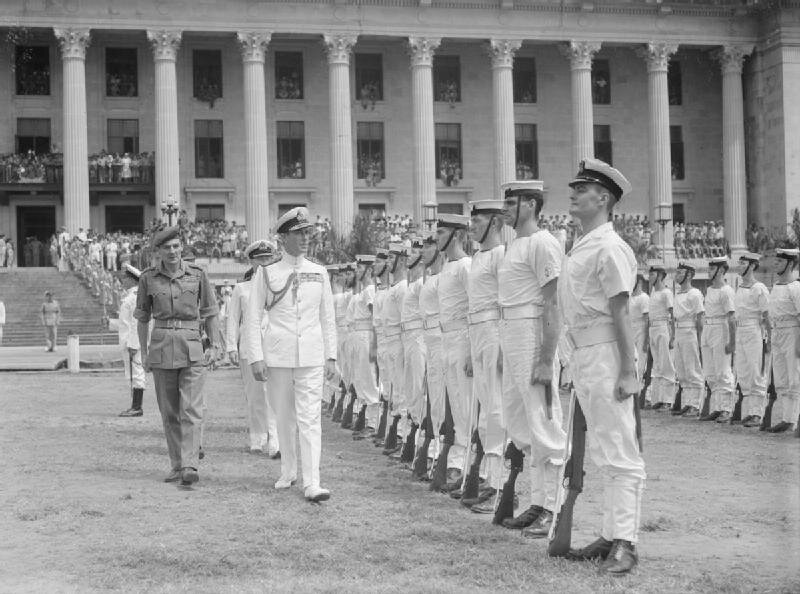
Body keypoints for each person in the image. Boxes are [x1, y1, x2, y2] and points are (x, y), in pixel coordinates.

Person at [557, 158, 646, 574]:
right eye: (574, 187)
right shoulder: (583, 245)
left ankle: (626, 541)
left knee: (620, 448)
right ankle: (611, 533)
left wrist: (628, 370)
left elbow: (621, 312)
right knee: (603, 449)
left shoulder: (610, 247)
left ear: (604, 198)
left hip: (607, 354)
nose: (573, 193)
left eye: (582, 188)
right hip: (585, 356)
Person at [242, 207, 337, 503]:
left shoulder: (319, 272)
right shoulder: (267, 273)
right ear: (283, 238)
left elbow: (327, 318)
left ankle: (313, 482)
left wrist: (331, 356)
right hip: (278, 355)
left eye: (307, 232)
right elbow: (254, 317)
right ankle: (288, 470)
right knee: (284, 417)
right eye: (299, 234)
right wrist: (256, 357)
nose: (305, 238)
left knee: (310, 418)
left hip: (310, 355)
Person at [497, 181, 566, 537]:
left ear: (531, 204)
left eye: (512, 202)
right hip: (512, 332)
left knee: (543, 419)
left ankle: (553, 507)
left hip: (531, 332)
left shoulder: (543, 243)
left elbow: (552, 303)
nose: (506, 208)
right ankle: (538, 501)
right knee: (520, 421)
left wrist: (545, 358)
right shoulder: (514, 246)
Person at [134, 226, 221, 487]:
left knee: (191, 409)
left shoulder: (197, 275)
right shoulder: (148, 279)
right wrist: (144, 352)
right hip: (161, 348)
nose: (172, 252)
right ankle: (176, 464)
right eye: (166, 248)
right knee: (169, 411)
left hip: (192, 346)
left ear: (181, 247)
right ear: (158, 251)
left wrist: (214, 345)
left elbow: (210, 311)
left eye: (176, 246)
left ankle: (189, 464)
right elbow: (142, 319)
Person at [462, 199, 507, 513]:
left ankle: (501, 485)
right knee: (483, 412)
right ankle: (488, 481)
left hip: (494, 331)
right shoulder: (477, 257)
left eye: (478, 221)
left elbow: (505, 303)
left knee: (496, 410)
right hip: (477, 332)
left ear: (495, 223)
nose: (472, 226)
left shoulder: (501, 255)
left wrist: (504, 345)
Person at [225, 240, 281, 456]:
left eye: (268, 259)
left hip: (274, 345)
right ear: (252, 261)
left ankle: (275, 439)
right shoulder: (242, 288)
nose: (265, 263)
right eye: (260, 259)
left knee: (274, 394)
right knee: (255, 394)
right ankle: (257, 436)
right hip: (249, 347)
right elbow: (233, 319)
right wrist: (231, 346)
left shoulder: (277, 284)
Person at [435, 214, 473, 491]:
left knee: (467, 405)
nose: (437, 238)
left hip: (462, 337)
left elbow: (475, 308)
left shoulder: (465, 266)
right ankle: (458, 462)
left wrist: (471, 350)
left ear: (457, 236)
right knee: (456, 404)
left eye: (441, 233)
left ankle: (467, 464)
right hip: (446, 337)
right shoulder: (447, 267)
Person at [733, 252, 771, 428]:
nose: (740, 266)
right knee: (743, 370)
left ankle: (757, 413)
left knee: (756, 370)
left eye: (743, 263)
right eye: (739, 263)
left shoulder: (760, 288)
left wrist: (769, 338)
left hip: (754, 329)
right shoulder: (739, 287)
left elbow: (766, 315)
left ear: (752, 266)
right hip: (740, 329)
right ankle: (748, 411)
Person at [765, 248, 800, 433]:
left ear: (790, 264)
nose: (775, 264)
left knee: (795, 376)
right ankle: (786, 418)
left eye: (779, 262)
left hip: (792, 332)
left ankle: (794, 419)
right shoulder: (776, 287)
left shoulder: (796, 288)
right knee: (781, 377)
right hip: (778, 332)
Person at [348, 254, 380, 440]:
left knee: (369, 378)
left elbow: (375, 317)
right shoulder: (363, 291)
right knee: (361, 378)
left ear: (368, 270)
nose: (357, 271)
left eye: (360, 268)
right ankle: (367, 420)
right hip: (358, 335)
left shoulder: (369, 290)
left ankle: (373, 423)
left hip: (366, 335)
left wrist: (374, 344)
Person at [701, 257, 736, 423]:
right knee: (710, 371)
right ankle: (716, 407)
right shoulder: (709, 290)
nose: (709, 272)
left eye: (712, 269)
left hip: (720, 328)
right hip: (708, 328)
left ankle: (726, 409)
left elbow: (731, 318)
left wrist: (732, 341)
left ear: (721, 271)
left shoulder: (726, 291)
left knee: (723, 370)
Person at [672, 262, 705, 418]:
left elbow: (700, 318)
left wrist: (700, 339)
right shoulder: (677, 294)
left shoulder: (695, 293)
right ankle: (688, 402)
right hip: (679, 331)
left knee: (692, 368)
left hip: (689, 330)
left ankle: (695, 404)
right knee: (681, 369)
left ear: (689, 275)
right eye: (677, 272)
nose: (677, 275)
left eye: (681, 272)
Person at [118, 264, 147, 417]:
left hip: (133, 343)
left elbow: (137, 322)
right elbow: (125, 323)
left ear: (131, 280)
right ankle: (134, 405)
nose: (122, 281)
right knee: (131, 373)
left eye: (124, 278)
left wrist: (134, 344)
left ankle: (137, 406)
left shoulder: (135, 297)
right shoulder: (130, 297)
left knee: (137, 373)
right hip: (128, 342)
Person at [648, 265, 676, 409]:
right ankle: (658, 398)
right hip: (653, 328)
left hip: (663, 327)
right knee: (657, 365)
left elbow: (672, 314)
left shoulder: (666, 293)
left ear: (659, 276)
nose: (649, 277)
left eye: (652, 274)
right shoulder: (653, 293)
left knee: (666, 364)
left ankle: (668, 400)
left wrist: (673, 336)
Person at [629, 275, 650, 397]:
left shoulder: (644, 298)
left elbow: (647, 320)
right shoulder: (629, 298)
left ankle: (638, 390)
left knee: (640, 362)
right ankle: (632, 388)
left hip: (641, 328)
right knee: (631, 359)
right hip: (630, 327)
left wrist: (646, 339)